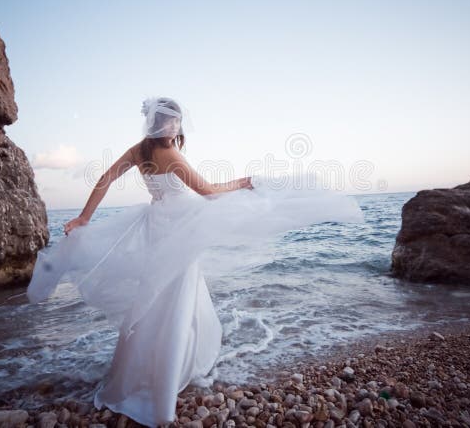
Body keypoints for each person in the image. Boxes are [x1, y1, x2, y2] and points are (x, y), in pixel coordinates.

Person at [27, 97, 363, 427]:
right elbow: (210, 193)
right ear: (166, 123)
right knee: (176, 297)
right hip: (177, 227)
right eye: (174, 120)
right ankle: (165, 381)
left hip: (157, 225)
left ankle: (140, 372)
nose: (177, 126)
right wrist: (242, 183)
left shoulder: (139, 150)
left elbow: (105, 178)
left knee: (157, 295)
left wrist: (85, 217)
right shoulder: (169, 153)